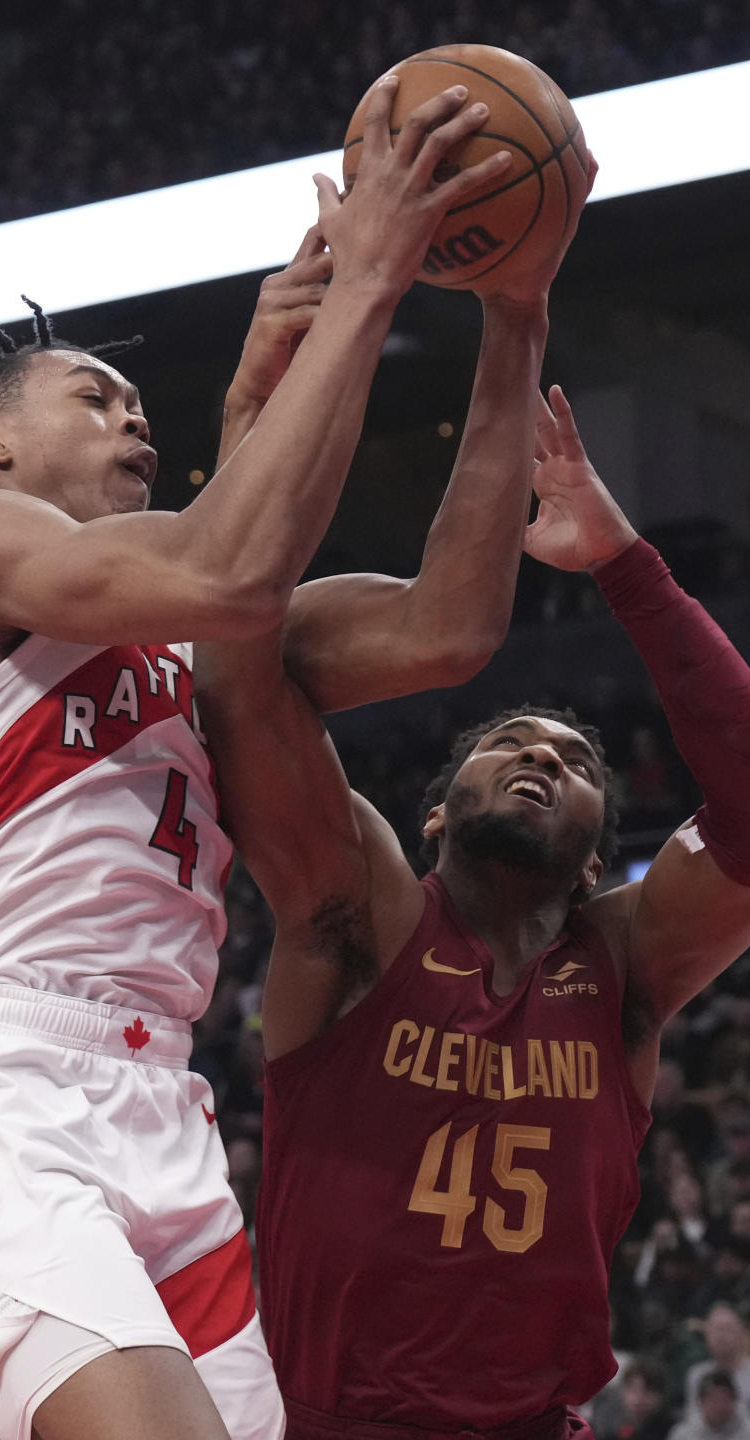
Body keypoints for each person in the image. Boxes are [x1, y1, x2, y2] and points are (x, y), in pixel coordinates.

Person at [0, 79, 541, 1440]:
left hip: (164, 1107)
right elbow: (224, 564)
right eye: (92, 396)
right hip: (1, 1082)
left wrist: (515, 310)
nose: (129, 418)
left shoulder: (207, 641)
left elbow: (450, 624)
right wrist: (370, 284)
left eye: (136, 405)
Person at [194, 387, 750, 1438]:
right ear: (438, 819)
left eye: (577, 762)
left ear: (593, 858)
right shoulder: (363, 914)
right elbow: (242, 686)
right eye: (511, 745)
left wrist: (627, 566)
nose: (543, 753)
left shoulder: (624, 969)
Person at [669, 1372, 750, 1440]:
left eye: (726, 1399)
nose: (720, 1406)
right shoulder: (683, 1435)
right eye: (714, 1400)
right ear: (700, 1401)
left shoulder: (747, 1431)